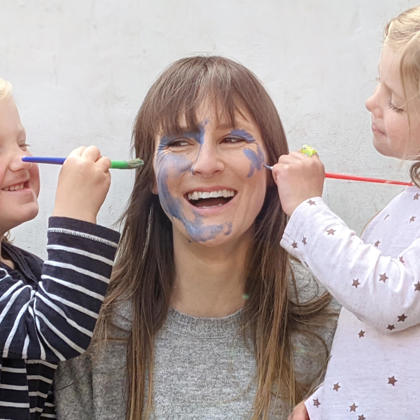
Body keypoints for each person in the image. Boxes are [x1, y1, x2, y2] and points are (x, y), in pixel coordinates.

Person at [54, 56, 337, 420]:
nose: (205, 164)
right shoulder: (89, 325)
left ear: (273, 170)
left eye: (232, 138)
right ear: (151, 177)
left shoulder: (332, 322)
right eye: (178, 142)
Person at [276, 7, 420, 420]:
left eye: (395, 102)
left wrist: (307, 210)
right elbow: (380, 343)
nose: (372, 102)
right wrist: (328, 402)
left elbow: (393, 300)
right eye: (379, 84)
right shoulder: (405, 203)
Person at [0, 78, 120, 419]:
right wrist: (76, 215)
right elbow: (53, 329)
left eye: (22, 143)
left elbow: (81, 314)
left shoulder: (27, 270)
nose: (21, 161)